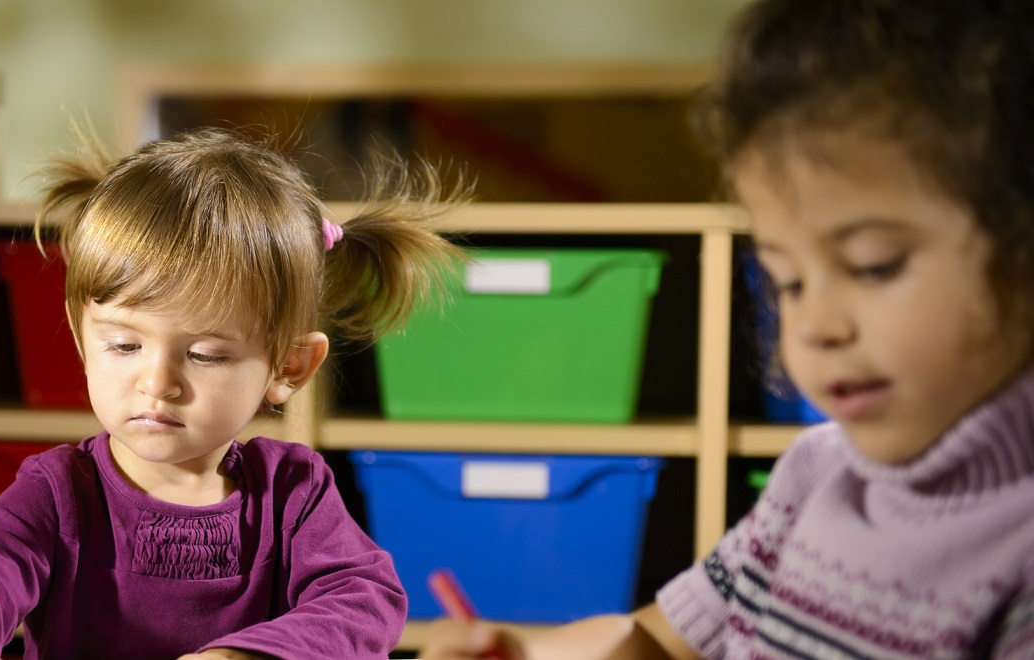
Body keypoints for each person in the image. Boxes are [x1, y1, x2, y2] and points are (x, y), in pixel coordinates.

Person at [422, 0, 1034, 657]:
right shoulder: (814, 474)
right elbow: (656, 641)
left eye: (872, 265)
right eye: (788, 282)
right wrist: (528, 654)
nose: (815, 324)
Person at [0, 126, 469, 660]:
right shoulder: (58, 492)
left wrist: (244, 655)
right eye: (123, 346)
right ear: (80, 336)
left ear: (288, 368)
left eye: (204, 355)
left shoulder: (294, 492)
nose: (156, 382)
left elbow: (364, 600)